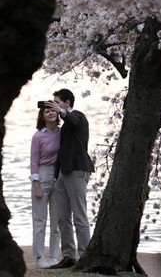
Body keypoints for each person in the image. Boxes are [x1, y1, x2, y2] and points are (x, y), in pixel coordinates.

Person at [46, 88, 95, 269]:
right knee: (62, 217)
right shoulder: (65, 123)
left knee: (79, 216)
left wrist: (61, 112)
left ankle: (84, 256)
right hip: (63, 173)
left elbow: (72, 120)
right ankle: (68, 256)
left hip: (77, 170)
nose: (55, 106)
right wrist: (55, 175)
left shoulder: (78, 117)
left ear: (67, 103)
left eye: (57, 102)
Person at [30, 105, 62, 269]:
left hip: (59, 176)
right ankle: (40, 256)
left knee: (57, 220)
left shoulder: (63, 133)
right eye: (47, 111)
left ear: (58, 114)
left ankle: (54, 257)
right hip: (42, 176)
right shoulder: (38, 137)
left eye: (53, 111)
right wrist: (36, 184)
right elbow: (33, 162)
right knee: (40, 220)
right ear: (42, 116)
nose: (50, 113)